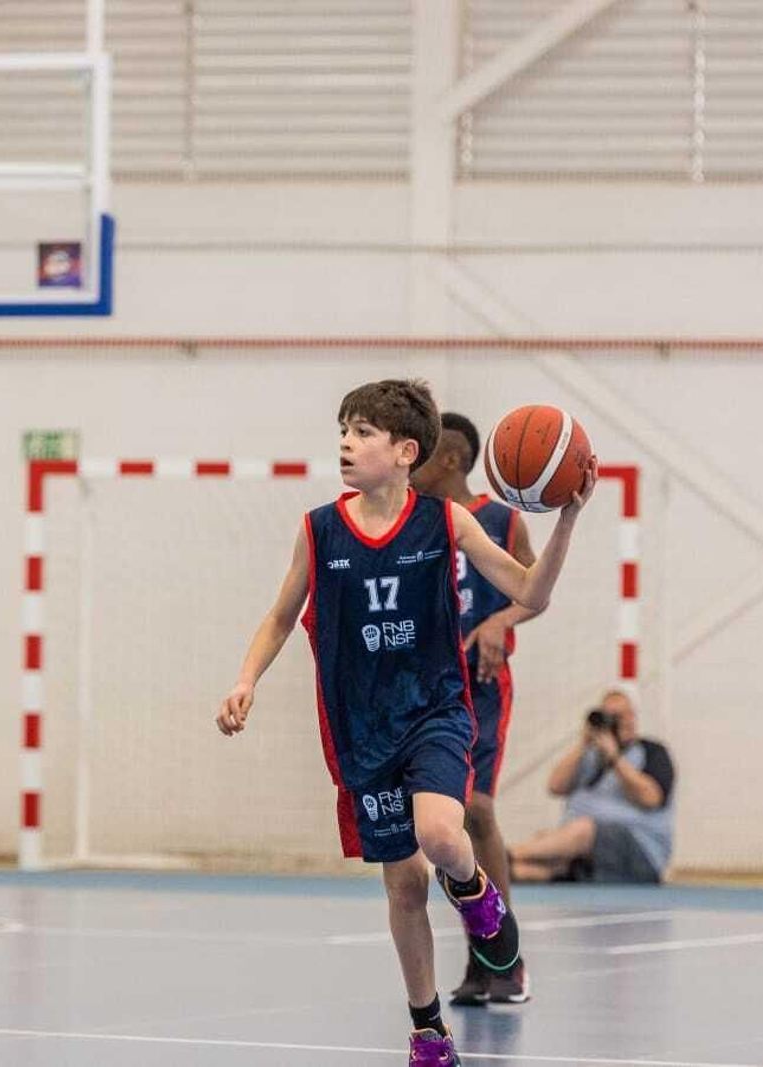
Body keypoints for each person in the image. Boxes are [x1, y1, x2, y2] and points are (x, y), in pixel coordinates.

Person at [216, 379, 597, 1065]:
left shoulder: (444, 522)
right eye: (344, 428)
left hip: (435, 710)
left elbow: (531, 590)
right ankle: (428, 1029)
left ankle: (479, 895)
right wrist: (246, 678)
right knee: (403, 884)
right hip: (363, 728)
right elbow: (279, 616)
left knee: (440, 831)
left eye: (362, 431)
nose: (346, 442)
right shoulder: (319, 528)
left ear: (404, 451)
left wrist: (567, 519)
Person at [410, 412, 540, 1006]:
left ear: (454, 460)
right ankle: (483, 955)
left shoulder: (499, 519)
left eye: (423, 456)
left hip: (482, 688)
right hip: (429, 690)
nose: (409, 466)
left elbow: (534, 590)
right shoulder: (412, 522)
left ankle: (506, 959)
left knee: (477, 809)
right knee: (442, 830)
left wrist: (498, 619)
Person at [510, 687, 675, 885]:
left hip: (639, 850)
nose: (614, 722)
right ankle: (494, 873)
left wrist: (615, 758)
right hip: (586, 850)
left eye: (619, 716)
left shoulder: (653, 752)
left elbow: (651, 798)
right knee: (542, 850)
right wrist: (583, 743)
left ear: (632, 718)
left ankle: (506, 854)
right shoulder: (591, 755)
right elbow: (555, 786)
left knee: (582, 830)